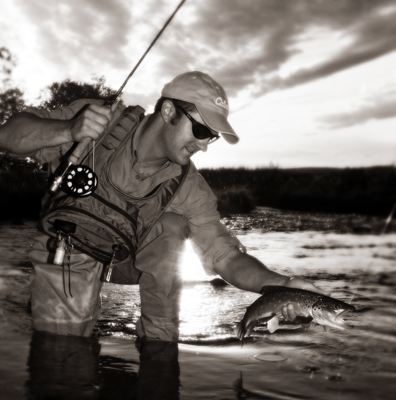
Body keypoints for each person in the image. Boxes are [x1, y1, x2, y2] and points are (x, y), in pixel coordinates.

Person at [0, 71, 322, 341]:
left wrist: (284, 285)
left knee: (171, 225)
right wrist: (68, 130)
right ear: (168, 112)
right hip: (67, 247)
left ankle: (159, 347)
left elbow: (225, 256)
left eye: (212, 137)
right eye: (201, 130)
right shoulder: (99, 120)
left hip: (124, 259)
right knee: (64, 361)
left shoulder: (191, 187)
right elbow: (8, 137)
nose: (204, 146)